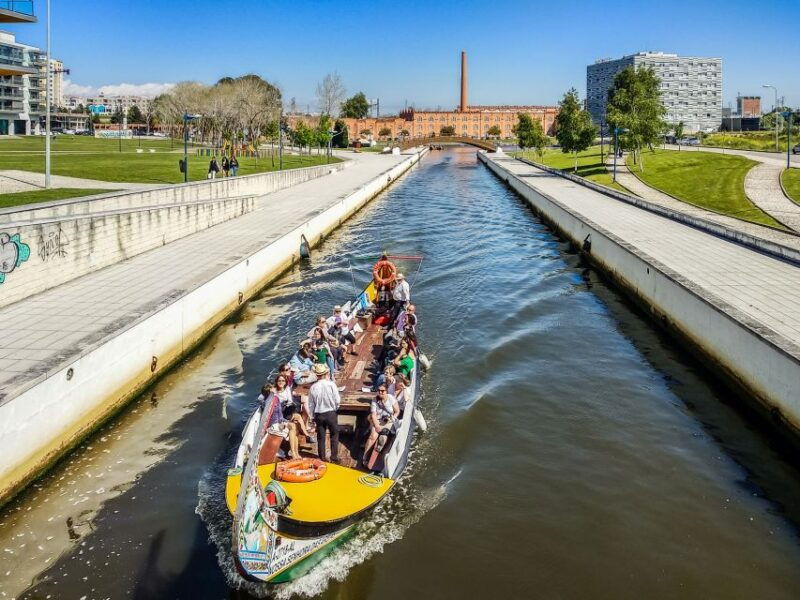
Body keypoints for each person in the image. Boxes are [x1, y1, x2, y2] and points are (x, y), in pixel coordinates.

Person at [307, 363, 341, 463]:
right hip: (331, 413)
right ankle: (334, 457)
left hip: (319, 415)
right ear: (326, 373)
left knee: (321, 437)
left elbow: (311, 404)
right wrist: (335, 408)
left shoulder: (313, 387)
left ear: (317, 375)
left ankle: (322, 458)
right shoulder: (331, 384)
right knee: (334, 435)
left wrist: (312, 416)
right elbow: (337, 400)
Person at [258, 383, 302, 459]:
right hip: (273, 425)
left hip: (279, 422)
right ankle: (293, 453)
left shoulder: (276, 399)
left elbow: (280, 415)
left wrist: (284, 422)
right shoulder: (268, 403)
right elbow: (267, 417)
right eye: (272, 388)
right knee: (292, 427)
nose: (275, 389)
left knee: (294, 426)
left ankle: (296, 453)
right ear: (269, 392)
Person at [362, 385, 400, 464]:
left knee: (384, 435)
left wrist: (392, 418)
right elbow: (373, 415)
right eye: (379, 390)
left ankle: (381, 450)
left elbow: (397, 411)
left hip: (388, 420)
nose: (380, 392)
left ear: (386, 391)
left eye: (382, 391)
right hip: (378, 420)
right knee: (373, 436)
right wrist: (376, 425)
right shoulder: (375, 400)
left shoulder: (391, 398)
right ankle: (365, 457)